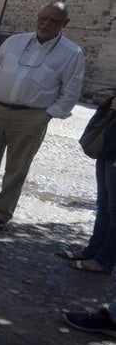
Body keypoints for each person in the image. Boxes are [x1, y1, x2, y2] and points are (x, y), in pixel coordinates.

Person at [0, 2, 85, 231]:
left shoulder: (72, 53)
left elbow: (71, 89)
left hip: (31, 116)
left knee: (17, 167)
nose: (46, 24)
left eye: (54, 20)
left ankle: (1, 213)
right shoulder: (14, 41)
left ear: (65, 23)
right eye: (43, 18)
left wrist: (48, 115)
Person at [57, 96, 116, 273]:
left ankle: (104, 261)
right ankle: (93, 252)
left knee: (114, 209)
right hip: (108, 148)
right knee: (104, 206)